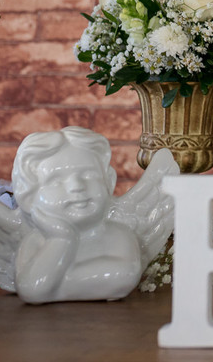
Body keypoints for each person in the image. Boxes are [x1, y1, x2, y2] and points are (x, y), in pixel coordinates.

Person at [11, 127, 142, 303]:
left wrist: (52, 285)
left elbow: (124, 276)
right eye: (56, 180)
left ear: (109, 181)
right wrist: (61, 239)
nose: (77, 186)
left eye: (88, 175)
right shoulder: (35, 241)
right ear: (28, 198)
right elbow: (30, 289)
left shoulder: (118, 236)